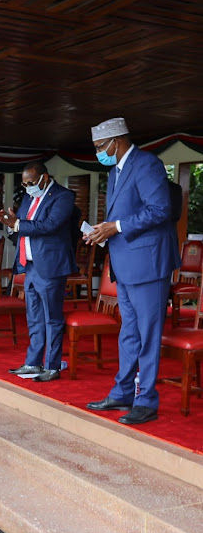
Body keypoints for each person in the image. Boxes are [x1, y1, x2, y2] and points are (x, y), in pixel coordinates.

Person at [84, 117, 180, 425]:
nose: (100, 152)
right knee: (128, 332)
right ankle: (123, 391)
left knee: (148, 334)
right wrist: (102, 231)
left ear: (117, 141)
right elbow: (121, 215)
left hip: (148, 264)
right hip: (124, 264)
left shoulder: (146, 164)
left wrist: (116, 226)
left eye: (101, 147)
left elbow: (160, 209)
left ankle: (147, 400)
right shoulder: (115, 171)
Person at [0, 162, 77, 382]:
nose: (28, 187)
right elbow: (20, 225)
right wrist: (9, 222)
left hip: (51, 267)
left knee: (52, 318)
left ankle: (52, 366)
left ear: (44, 177)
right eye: (24, 184)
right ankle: (33, 362)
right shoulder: (29, 197)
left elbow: (50, 225)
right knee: (34, 318)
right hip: (30, 265)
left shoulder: (63, 197)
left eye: (31, 182)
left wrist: (18, 224)